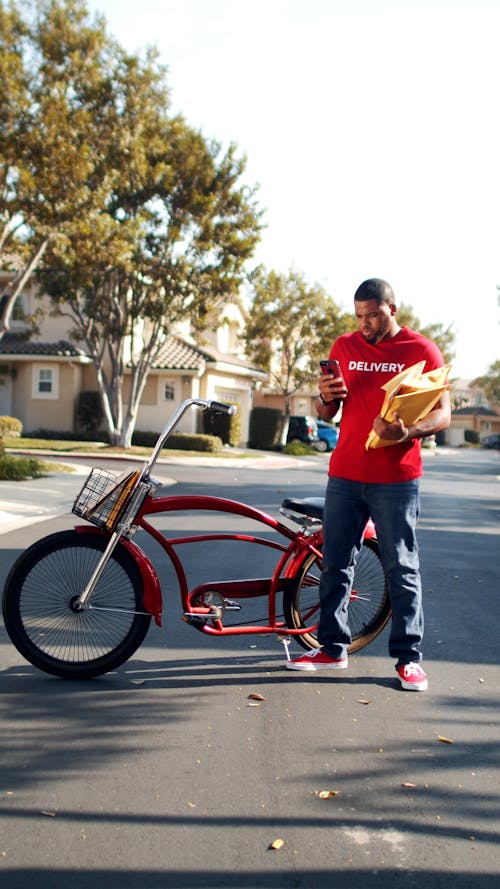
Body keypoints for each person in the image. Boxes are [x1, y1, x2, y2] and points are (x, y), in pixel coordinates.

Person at [286, 278, 451, 691]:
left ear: (392, 310)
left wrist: (407, 431)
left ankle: (409, 659)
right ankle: (331, 648)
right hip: (344, 474)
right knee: (335, 564)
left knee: (402, 567)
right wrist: (323, 396)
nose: (364, 323)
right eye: (359, 315)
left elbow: (443, 414)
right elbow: (328, 410)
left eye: (373, 315)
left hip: (396, 480)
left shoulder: (422, 351)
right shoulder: (344, 346)